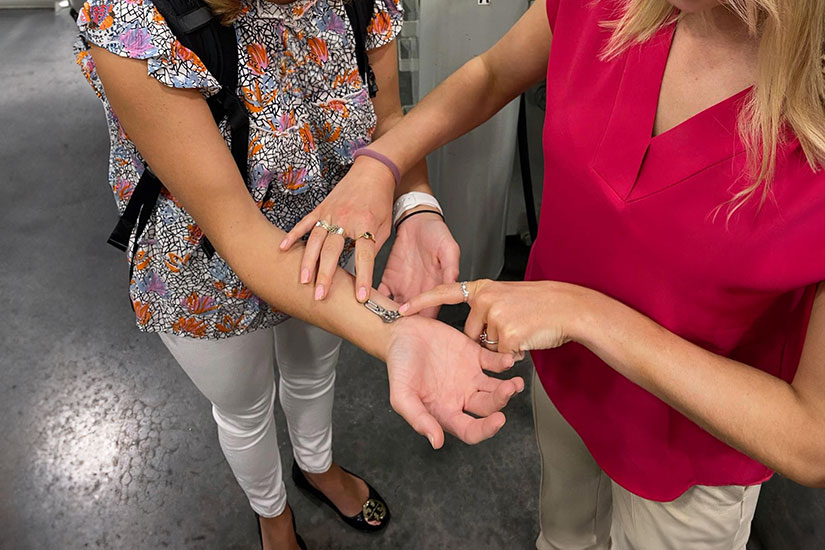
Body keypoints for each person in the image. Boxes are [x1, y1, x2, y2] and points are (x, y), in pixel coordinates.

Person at [283, 0, 825, 548]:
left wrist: (583, 313)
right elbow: (492, 72)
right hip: (566, 379)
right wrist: (386, 164)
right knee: (565, 532)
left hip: (692, 446)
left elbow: (812, 441)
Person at [73, 0, 524, 548]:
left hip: (323, 242)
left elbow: (387, 119)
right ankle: (271, 511)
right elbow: (236, 231)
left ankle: (316, 467)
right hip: (202, 272)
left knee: (313, 376)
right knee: (244, 409)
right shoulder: (136, 17)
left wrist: (415, 201)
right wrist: (393, 330)